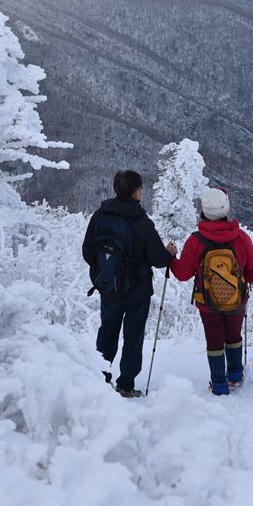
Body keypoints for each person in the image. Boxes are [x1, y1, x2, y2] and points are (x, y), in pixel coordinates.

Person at [82, 169, 176, 398]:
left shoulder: (100, 215)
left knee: (107, 332)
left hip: (109, 287)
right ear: (136, 192)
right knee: (133, 336)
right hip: (137, 291)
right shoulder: (142, 222)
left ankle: (101, 378)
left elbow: (87, 251)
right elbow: (159, 260)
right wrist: (169, 252)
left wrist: (106, 270)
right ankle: (125, 385)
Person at [170, 187, 253, 395]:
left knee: (214, 341)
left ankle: (219, 384)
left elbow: (183, 274)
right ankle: (235, 376)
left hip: (207, 303)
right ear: (226, 209)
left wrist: (171, 260)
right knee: (233, 336)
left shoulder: (196, 241)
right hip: (237, 300)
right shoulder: (241, 238)